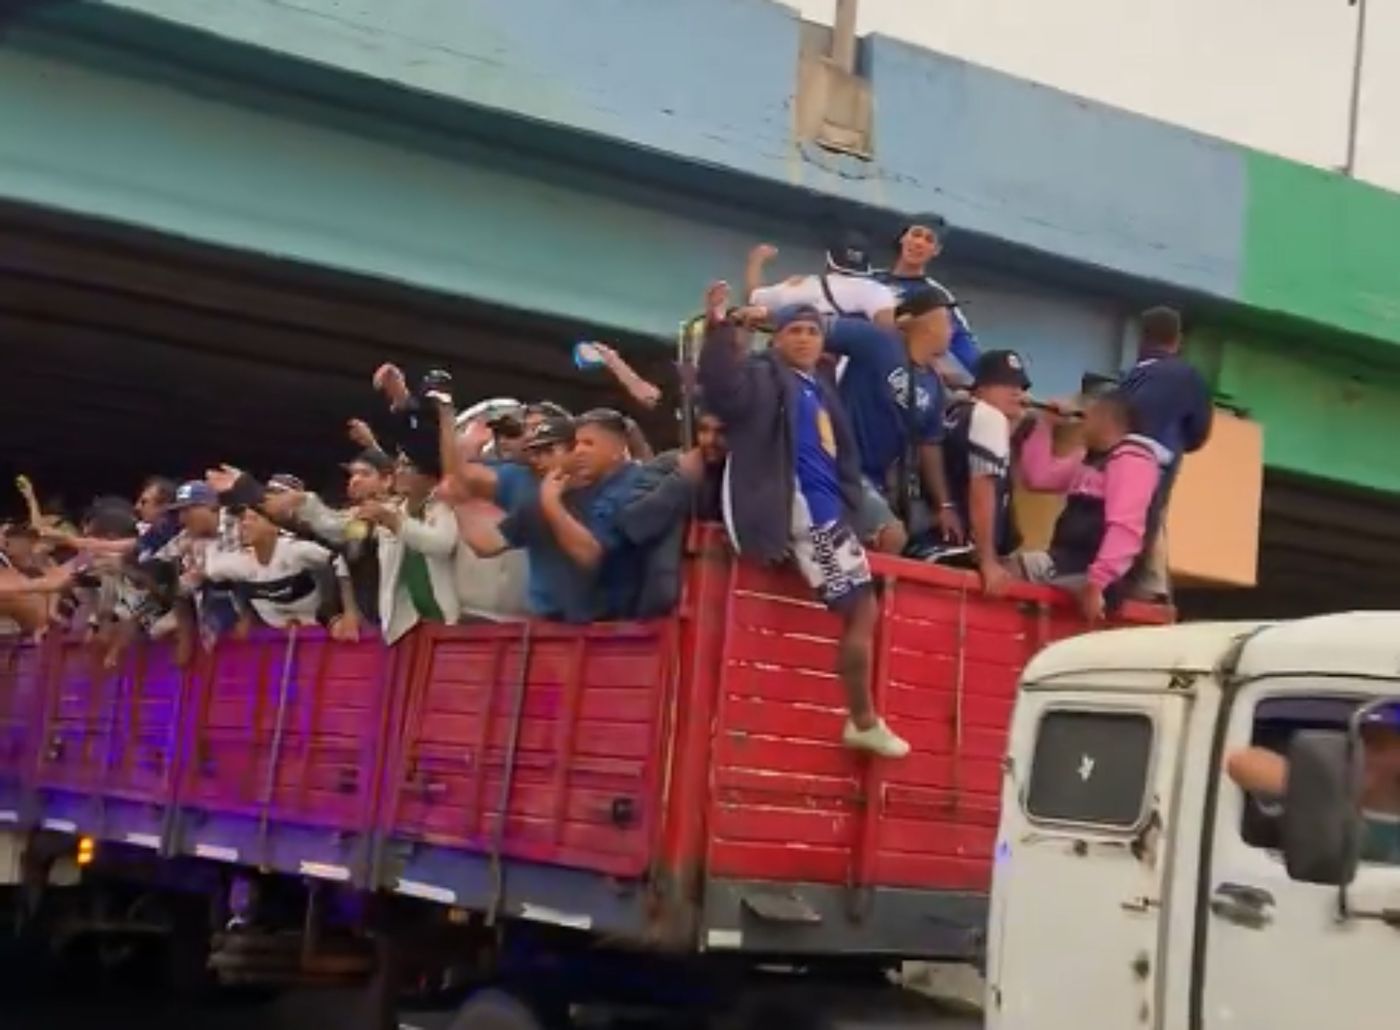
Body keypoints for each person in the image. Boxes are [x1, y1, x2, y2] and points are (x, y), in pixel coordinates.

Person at [698, 286, 908, 759]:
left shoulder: (819, 388)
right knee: (861, 609)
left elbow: (843, 459)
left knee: (864, 609)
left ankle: (864, 719)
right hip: (805, 515)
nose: (805, 339)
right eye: (794, 330)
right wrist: (718, 329)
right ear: (776, 339)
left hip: (830, 514)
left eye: (813, 331)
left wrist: (851, 508)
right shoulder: (763, 377)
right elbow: (723, 391)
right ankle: (863, 720)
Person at [822, 288, 962, 554]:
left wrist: (944, 505)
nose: (951, 329)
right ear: (926, 325)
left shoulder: (933, 384)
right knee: (892, 535)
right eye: (947, 320)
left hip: (877, 481)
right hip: (839, 465)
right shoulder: (878, 341)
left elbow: (929, 446)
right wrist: (762, 313)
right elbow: (817, 326)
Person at [1012, 391, 1160, 621]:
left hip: (1093, 572)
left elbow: (1125, 528)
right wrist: (1045, 425)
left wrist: (1098, 583)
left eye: (1088, 417)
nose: (1082, 424)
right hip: (1067, 561)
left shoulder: (1131, 461)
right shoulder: (1088, 460)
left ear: (1105, 420)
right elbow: (1037, 478)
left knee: (1012, 570)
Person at [1118, 306, 1214, 599]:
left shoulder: (1130, 379)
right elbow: (1199, 432)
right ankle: (1146, 587)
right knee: (1151, 515)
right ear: (1177, 339)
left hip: (1119, 464)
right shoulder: (1188, 376)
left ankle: (1131, 582)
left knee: (1125, 517)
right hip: (1161, 463)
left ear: (1142, 339)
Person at [1226, 706, 1400, 866]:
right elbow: (1240, 762)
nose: (1361, 752)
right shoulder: (1324, 788)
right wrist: (1321, 787)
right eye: (1361, 741)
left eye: (1379, 745)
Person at [942, 350, 1031, 595]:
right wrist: (988, 561)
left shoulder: (956, 412)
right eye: (1003, 383)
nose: (1016, 392)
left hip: (937, 543)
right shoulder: (988, 417)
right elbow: (981, 489)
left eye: (1020, 385)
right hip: (962, 558)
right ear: (980, 388)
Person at [357, 454, 461, 644]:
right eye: (399, 465)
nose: (399, 471)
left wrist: (396, 523)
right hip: (406, 625)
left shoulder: (444, 508)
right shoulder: (393, 510)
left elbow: (443, 545)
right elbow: (344, 533)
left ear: (430, 478)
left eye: (408, 465)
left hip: (448, 621)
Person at [876, 218, 981, 376]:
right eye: (916, 234)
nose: (919, 243)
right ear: (903, 238)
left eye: (929, 239)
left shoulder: (935, 296)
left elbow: (962, 343)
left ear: (936, 250)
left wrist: (992, 379)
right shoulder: (870, 279)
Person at [202, 507, 337, 630]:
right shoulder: (240, 562)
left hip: (318, 630)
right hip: (274, 636)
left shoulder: (296, 550)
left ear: (275, 527)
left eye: (253, 519)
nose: (244, 524)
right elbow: (212, 571)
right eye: (243, 519)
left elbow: (339, 561)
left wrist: (347, 612)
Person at [746, 232, 897, 326]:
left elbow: (753, 297)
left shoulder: (804, 286)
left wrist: (757, 259)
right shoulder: (879, 291)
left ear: (828, 259)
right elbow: (889, 332)